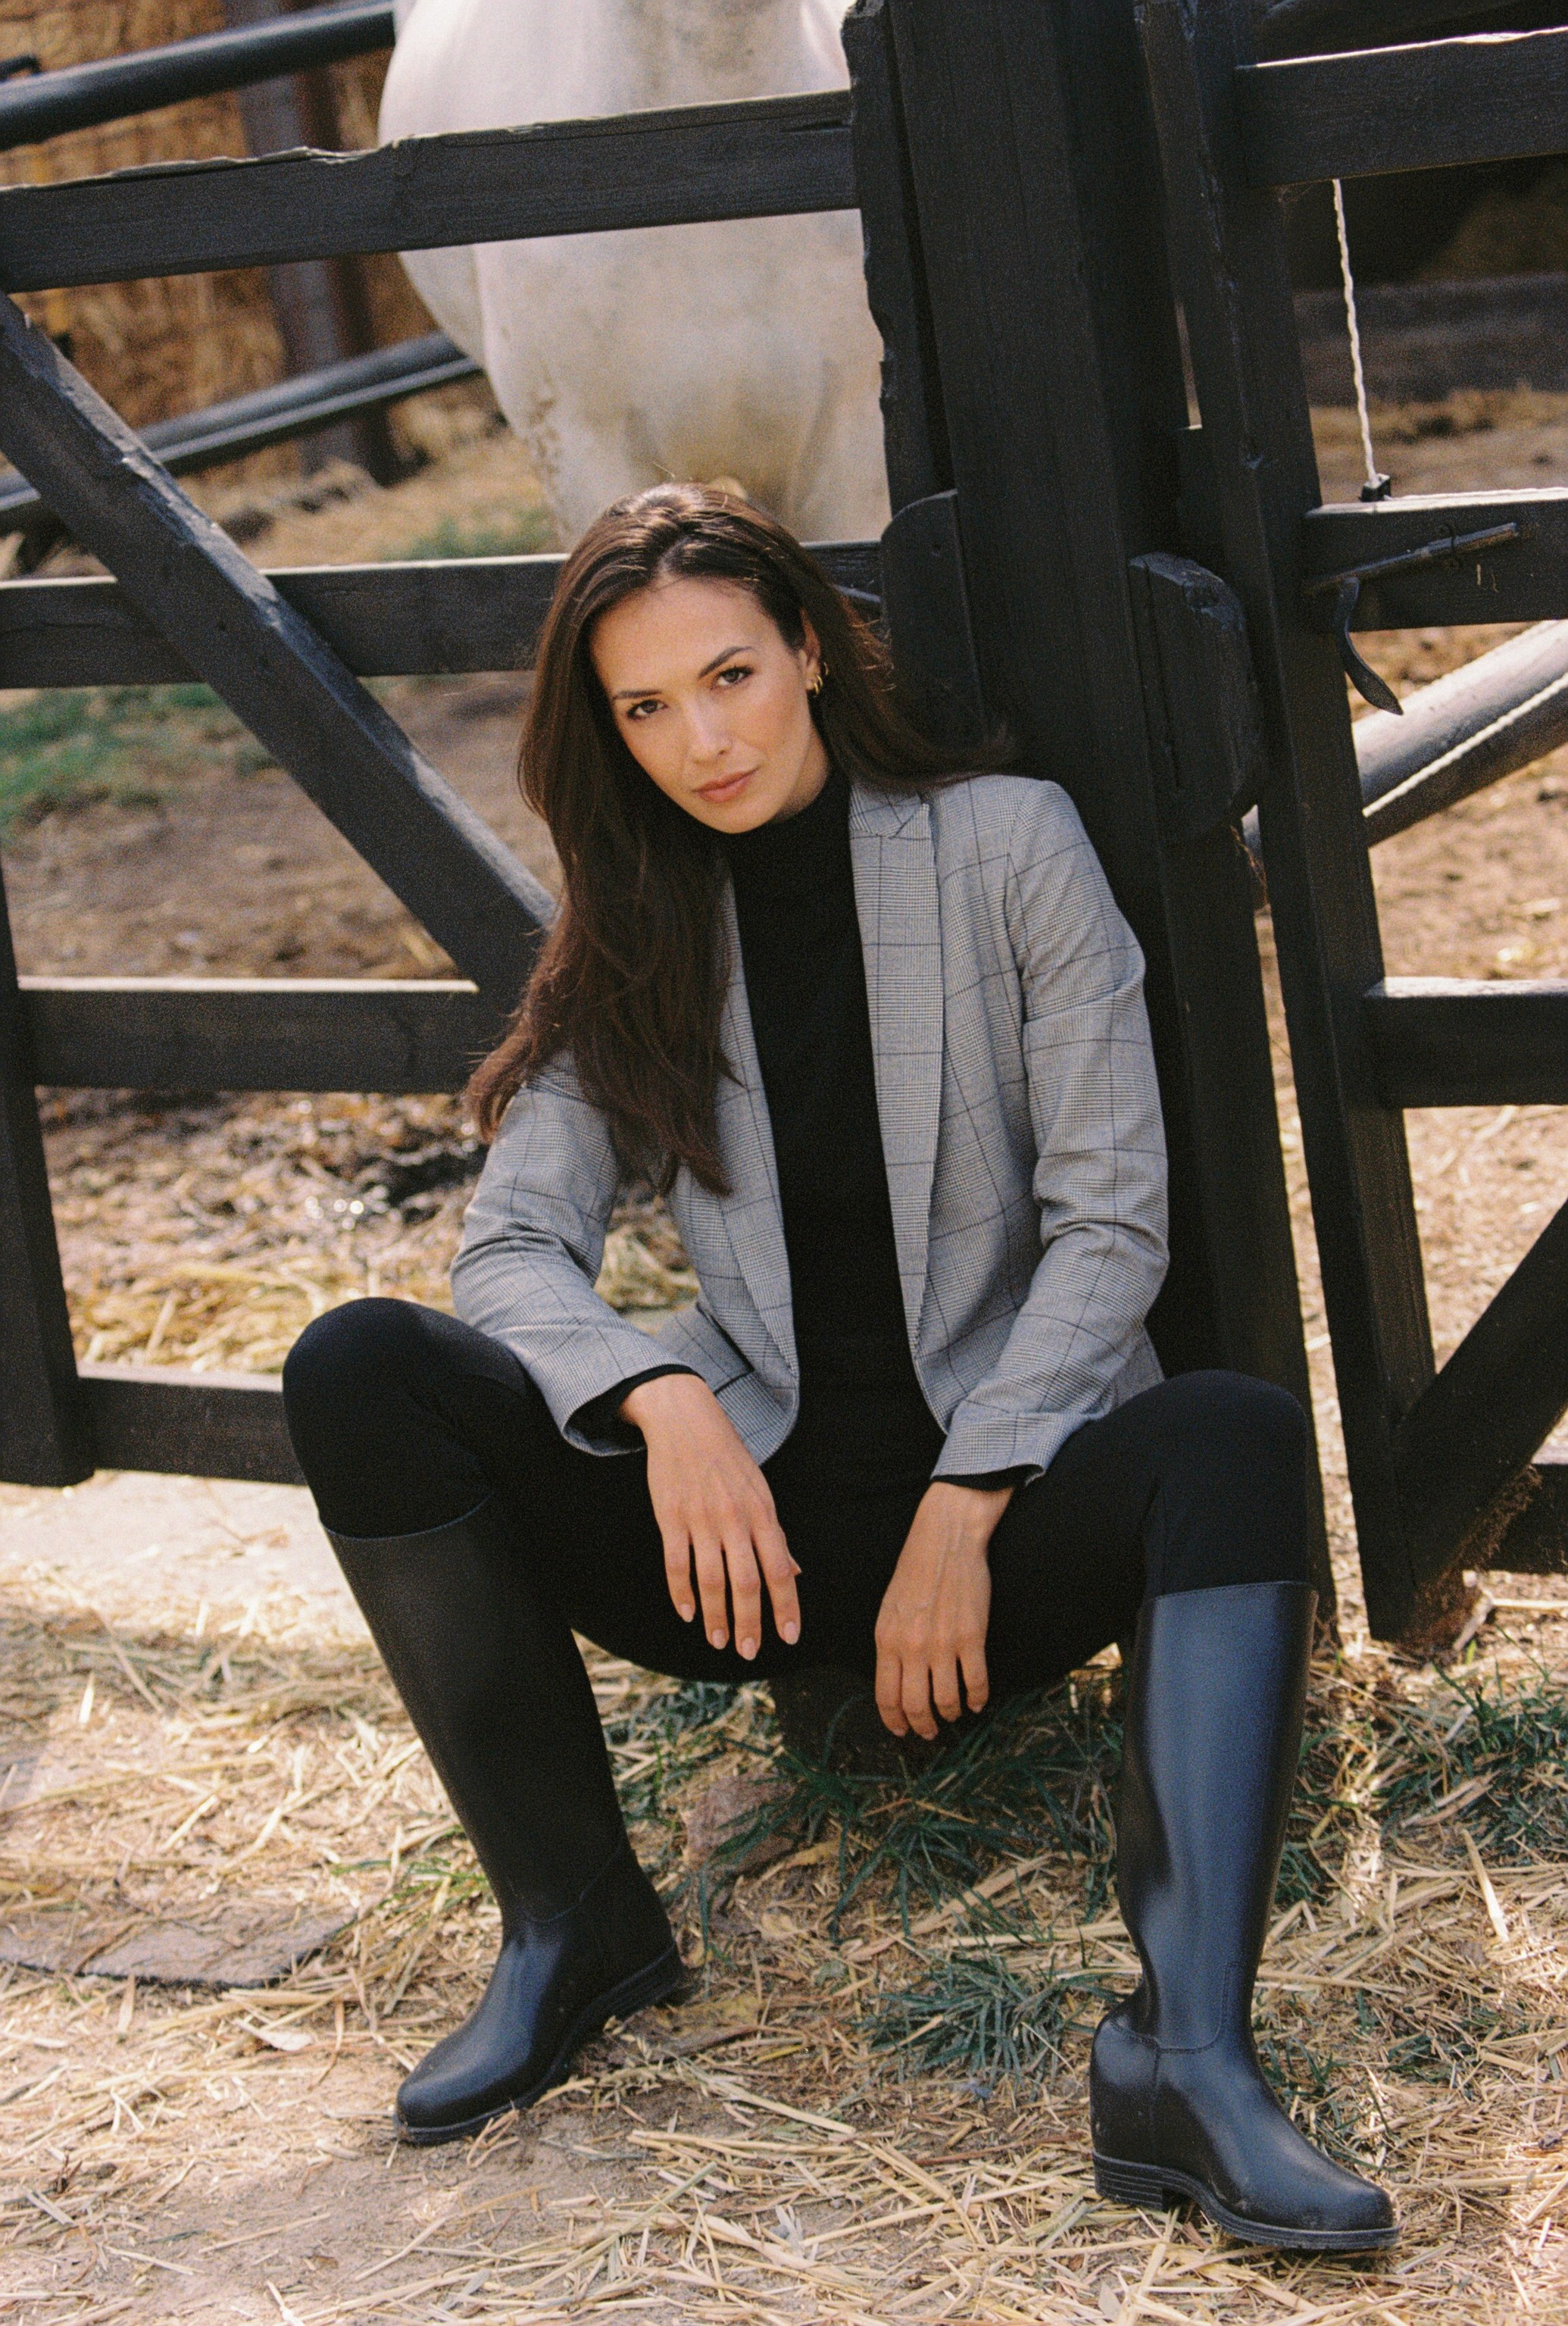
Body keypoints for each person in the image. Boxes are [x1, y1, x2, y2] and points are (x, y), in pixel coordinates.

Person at [282, 484, 1395, 2253]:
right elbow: (508, 1246)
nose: (702, 740)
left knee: (1237, 1435)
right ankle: (575, 1924)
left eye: (730, 674)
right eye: (648, 707)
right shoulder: (638, 915)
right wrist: (661, 1400)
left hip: (1000, 1539)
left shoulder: (1008, 845)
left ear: (808, 646)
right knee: (359, 1365)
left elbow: (1113, 1223)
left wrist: (971, 1497)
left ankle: (1185, 2056)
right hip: (757, 1554)